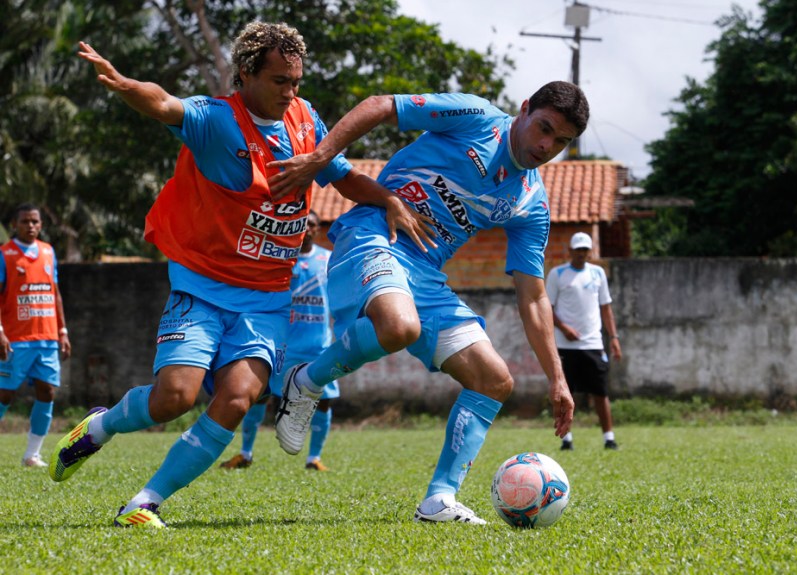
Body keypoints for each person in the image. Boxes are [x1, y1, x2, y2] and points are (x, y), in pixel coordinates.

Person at [48, 22, 429, 528]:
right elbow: (163, 103)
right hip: (201, 286)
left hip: (267, 295)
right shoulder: (216, 120)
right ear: (247, 74)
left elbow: (342, 175)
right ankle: (104, 424)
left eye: (296, 81)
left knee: (237, 398)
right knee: (174, 398)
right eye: (279, 81)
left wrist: (388, 199)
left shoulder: (305, 119)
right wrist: (124, 85)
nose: (290, 92)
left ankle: (145, 502)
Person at [269, 81, 587, 524]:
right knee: (400, 327)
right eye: (544, 128)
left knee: (494, 380)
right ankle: (306, 380)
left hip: (425, 275)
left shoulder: (530, 202)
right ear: (525, 109)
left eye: (561, 141)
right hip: (374, 234)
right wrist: (322, 156)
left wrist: (558, 379)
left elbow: (533, 296)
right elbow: (381, 106)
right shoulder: (475, 117)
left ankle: (439, 500)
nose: (546, 145)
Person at [219, 210, 339, 472]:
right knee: (259, 396)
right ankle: (245, 453)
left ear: (318, 230)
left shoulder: (328, 260)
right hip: (281, 346)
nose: (307, 228)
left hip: (318, 346)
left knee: (324, 399)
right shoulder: (281, 260)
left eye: (313, 224)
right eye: (303, 223)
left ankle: (314, 458)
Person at [0, 204, 72, 468]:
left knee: (48, 391)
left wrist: (63, 331)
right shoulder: (4, 254)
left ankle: (32, 454)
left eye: (35, 222)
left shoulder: (48, 252)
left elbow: (54, 293)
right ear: (14, 225)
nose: (30, 226)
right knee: (5, 394)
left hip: (47, 337)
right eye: (25, 222)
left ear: (41, 225)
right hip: (16, 339)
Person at [546, 232, 622, 451]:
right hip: (565, 345)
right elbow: (547, 309)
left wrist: (614, 337)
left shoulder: (598, 273)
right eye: (577, 250)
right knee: (564, 393)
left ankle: (609, 437)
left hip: (593, 344)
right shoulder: (557, 274)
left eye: (585, 250)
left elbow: (606, 308)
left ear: (590, 252)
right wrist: (563, 328)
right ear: (570, 251)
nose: (581, 254)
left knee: (600, 392)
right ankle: (566, 439)